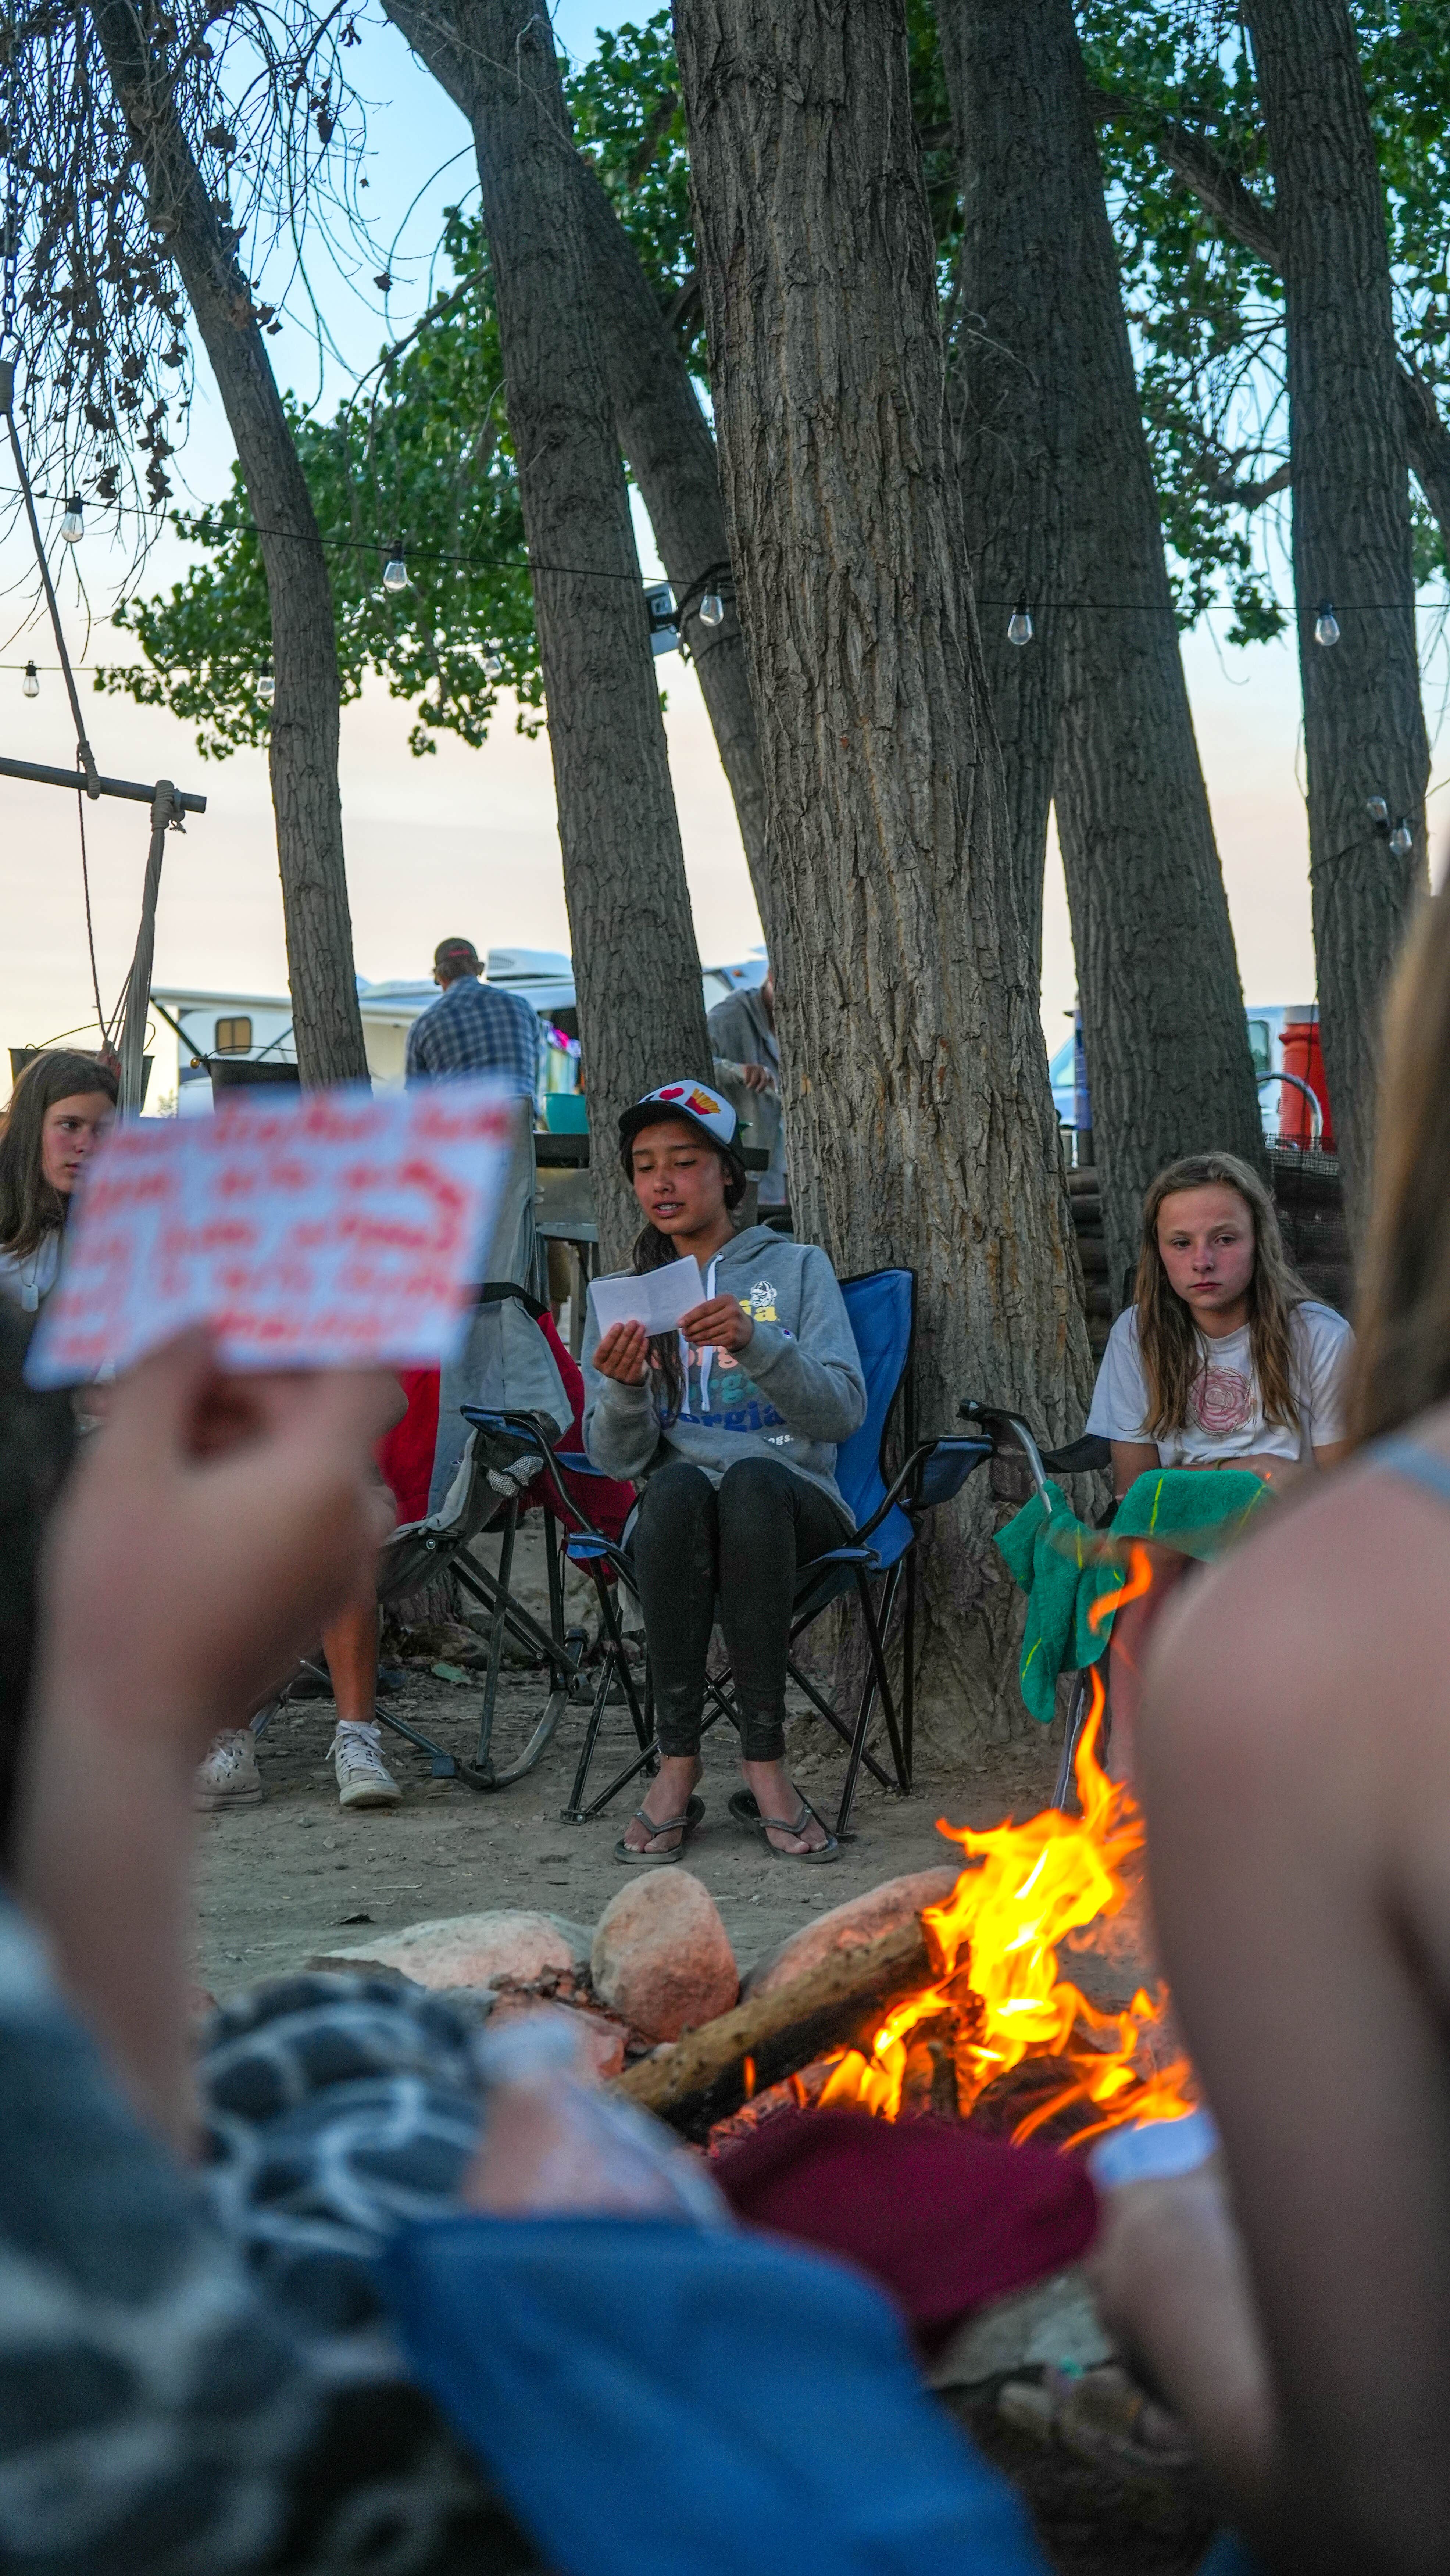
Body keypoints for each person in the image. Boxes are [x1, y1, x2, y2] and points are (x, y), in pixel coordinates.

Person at [582, 1080, 865, 1861]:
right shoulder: (623, 1299)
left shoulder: (798, 1268)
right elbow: (616, 1460)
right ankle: (676, 1768)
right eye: (644, 1168)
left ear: (728, 1175)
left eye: (683, 1161)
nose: (662, 1183)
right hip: (679, 1525)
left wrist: (757, 1342)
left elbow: (841, 1412)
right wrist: (626, 1387)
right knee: (673, 1487)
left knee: (746, 1484)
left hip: (792, 1507)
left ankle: (764, 1765)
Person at [1082, 1151, 1352, 1774]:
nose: (1201, 1260)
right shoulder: (1137, 1336)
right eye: (1180, 1243)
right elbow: (1134, 1487)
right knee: (1143, 1554)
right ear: (1158, 1252)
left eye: (1222, 1239)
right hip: (1171, 1523)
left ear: (1259, 1241)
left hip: (1289, 1521)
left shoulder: (1316, 1334)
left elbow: (1340, 1482)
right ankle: (1125, 1767)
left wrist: (1273, 1479)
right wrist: (1230, 1476)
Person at [0, 1046, 117, 1313]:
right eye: (70, 1125)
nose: (87, 1145)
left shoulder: (107, 1227)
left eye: (102, 1130)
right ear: (32, 1125)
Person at [708, 965, 787, 1210]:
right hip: (740, 1169)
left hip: (780, 1172)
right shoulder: (728, 1017)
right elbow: (695, 1064)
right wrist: (737, 1070)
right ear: (772, 977)